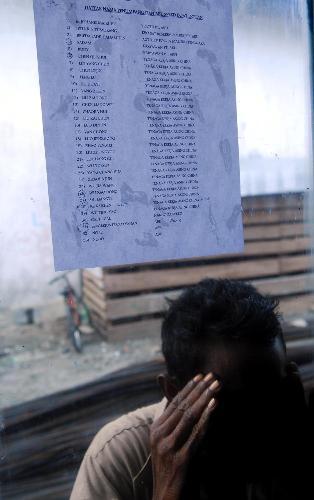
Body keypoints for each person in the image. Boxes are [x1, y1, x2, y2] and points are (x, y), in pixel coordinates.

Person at [70, 279, 313, 500]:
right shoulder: (121, 457)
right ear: (173, 392)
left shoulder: (289, 430)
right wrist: (168, 490)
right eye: (232, 404)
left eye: (270, 393)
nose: (258, 419)